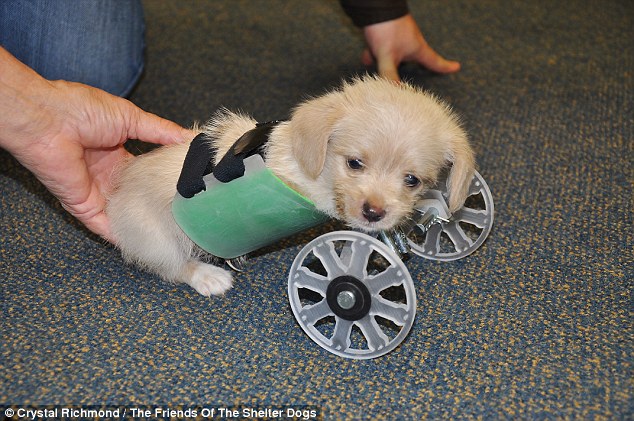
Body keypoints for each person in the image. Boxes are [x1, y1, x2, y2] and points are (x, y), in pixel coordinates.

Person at [0, 1, 460, 242]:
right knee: (92, 69)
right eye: (356, 165)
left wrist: (381, 12)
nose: (377, 203)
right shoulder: (311, 133)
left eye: (413, 181)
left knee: (95, 68)